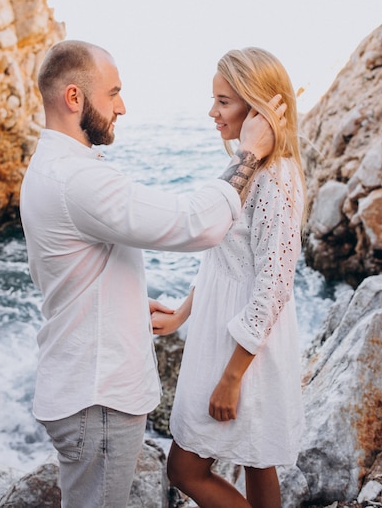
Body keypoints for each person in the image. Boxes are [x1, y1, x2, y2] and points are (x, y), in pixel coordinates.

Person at [19, 40, 286, 508]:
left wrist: (122, 304)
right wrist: (247, 155)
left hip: (81, 388)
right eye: (113, 92)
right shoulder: (77, 180)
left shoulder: (51, 168)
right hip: (97, 399)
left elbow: (65, 270)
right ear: (75, 98)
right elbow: (192, 223)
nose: (122, 107)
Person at [152, 47, 306, 508]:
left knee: (185, 468)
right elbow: (225, 259)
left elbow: (274, 284)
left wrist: (232, 376)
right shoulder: (249, 169)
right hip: (224, 334)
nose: (212, 112)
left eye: (223, 101)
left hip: (245, 348)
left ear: (256, 107)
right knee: (259, 462)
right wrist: (181, 314)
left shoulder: (275, 176)